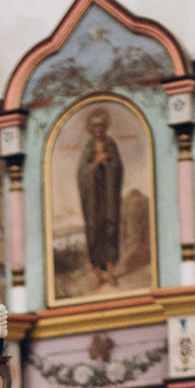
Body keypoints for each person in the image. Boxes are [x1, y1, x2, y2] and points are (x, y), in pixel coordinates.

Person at [75, 105, 125, 291]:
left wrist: (108, 164)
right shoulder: (88, 147)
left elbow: (118, 168)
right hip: (93, 200)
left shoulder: (111, 145)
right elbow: (81, 172)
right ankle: (97, 274)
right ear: (91, 128)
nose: (99, 128)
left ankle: (110, 273)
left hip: (108, 196)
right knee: (95, 232)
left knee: (110, 230)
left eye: (101, 125)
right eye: (95, 125)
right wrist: (95, 163)